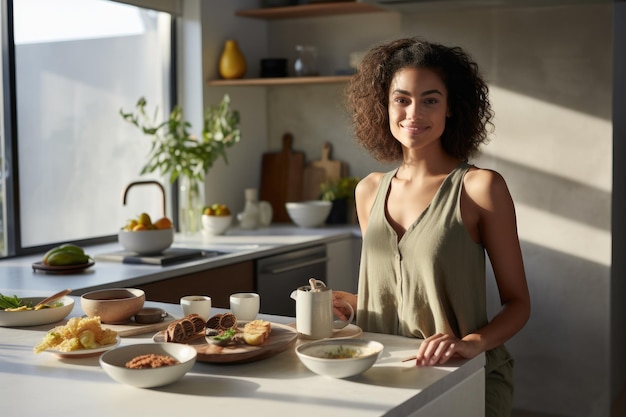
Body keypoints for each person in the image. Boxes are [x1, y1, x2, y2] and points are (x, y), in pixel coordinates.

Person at [333, 37, 531, 416]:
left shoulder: (480, 188)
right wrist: (348, 302)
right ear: (384, 105)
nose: (413, 113)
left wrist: (473, 342)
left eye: (430, 99)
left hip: (464, 374)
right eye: (402, 99)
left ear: (450, 107)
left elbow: (519, 304)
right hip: (383, 375)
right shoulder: (369, 191)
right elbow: (403, 293)